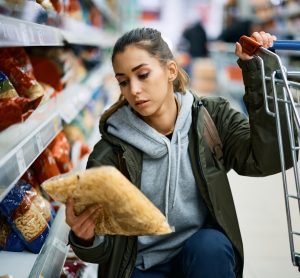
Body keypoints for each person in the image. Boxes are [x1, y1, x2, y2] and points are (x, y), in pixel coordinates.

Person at [65, 28, 287, 278]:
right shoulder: (109, 155)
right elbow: (102, 252)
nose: (134, 90)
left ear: (171, 70)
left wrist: (260, 73)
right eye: (124, 81)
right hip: (140, 266)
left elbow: (269, 158)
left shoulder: (211, 119)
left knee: (210, 247)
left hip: (199, 257)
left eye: (143, 74)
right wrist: (86, 239)